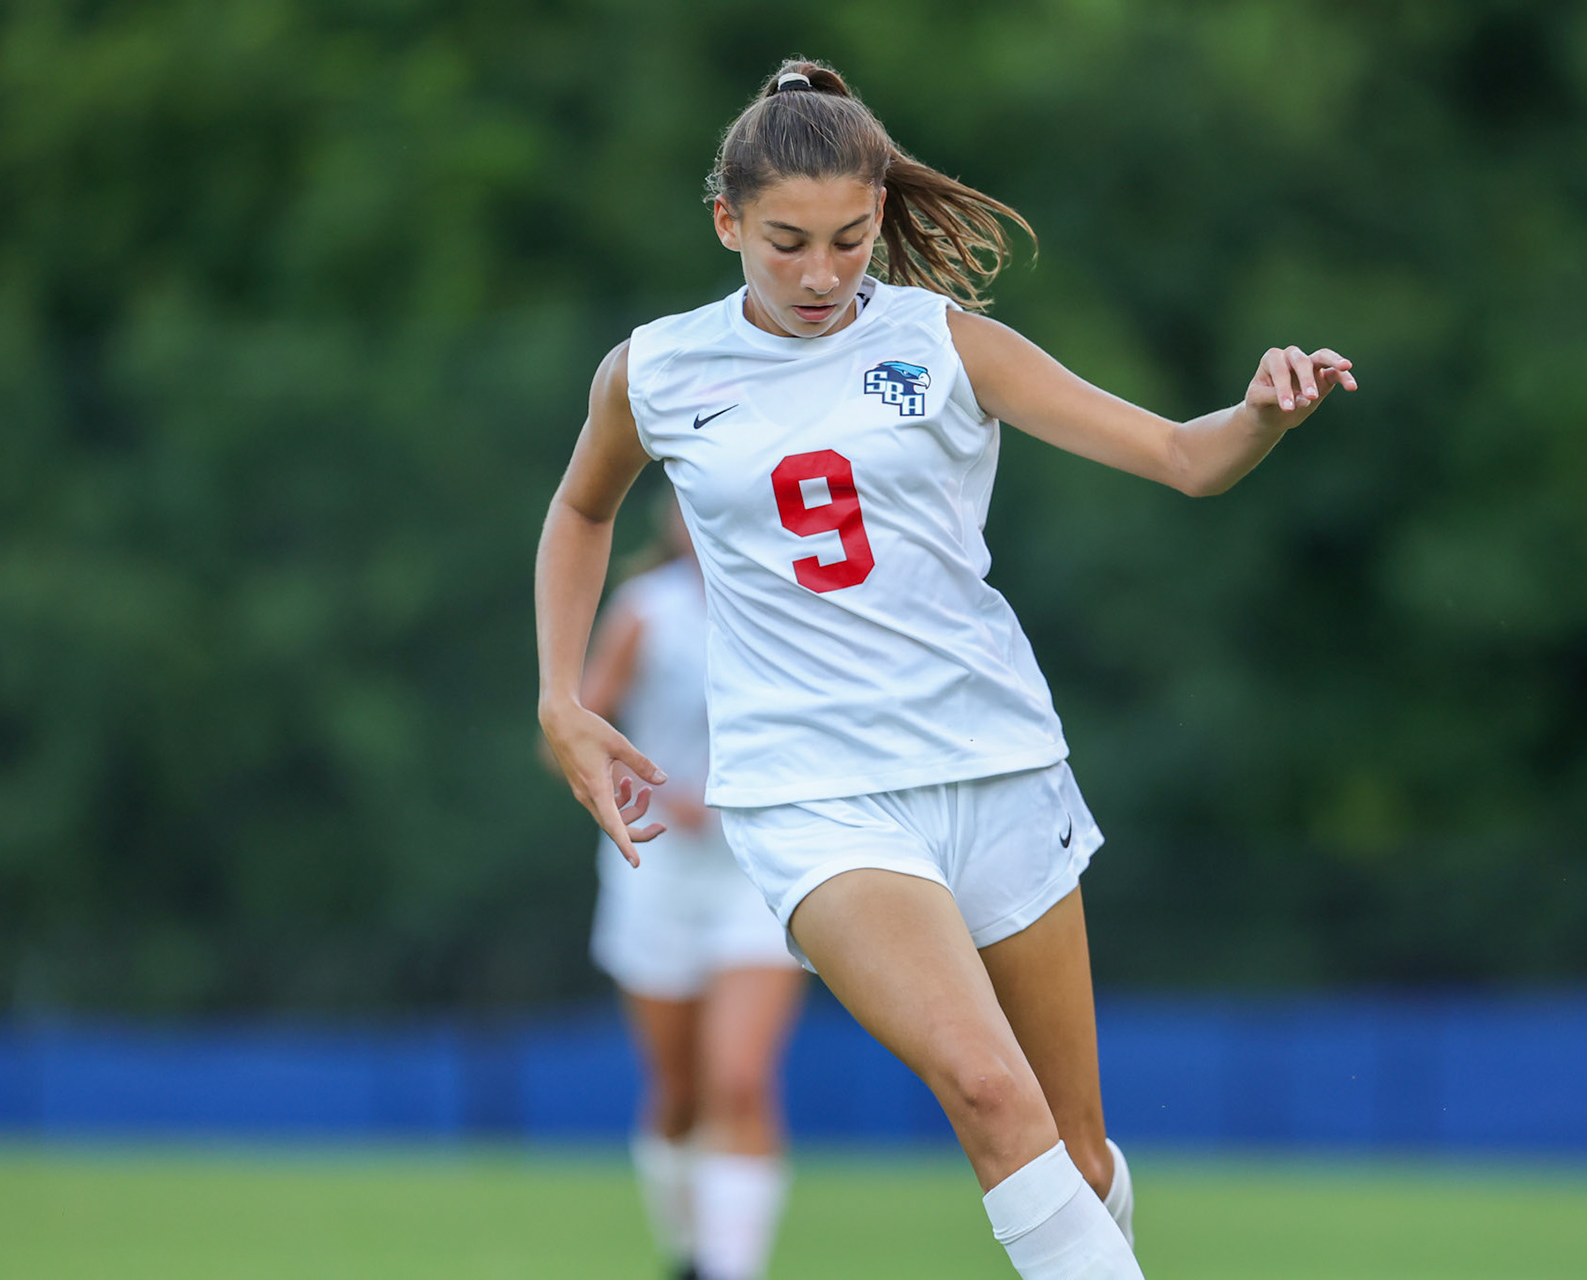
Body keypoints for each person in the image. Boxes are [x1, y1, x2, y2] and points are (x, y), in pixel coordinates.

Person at [536, 58, 1355, 1280]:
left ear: (880, 215)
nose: (821, 274)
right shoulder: (655, 370)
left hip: (997, 765)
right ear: (726, 222)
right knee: (985, 1088)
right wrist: (561, 697)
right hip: (814, 793)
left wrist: (1262, 415)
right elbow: (582, 510)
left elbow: (1187, 459)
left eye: (851, 240)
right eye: (786, 242)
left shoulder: (948, 345)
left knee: (1074, 1155)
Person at [576, 493, 805, 1280]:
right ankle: (690, 1254)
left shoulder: (799, 603)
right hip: (659, 867)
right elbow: (573, 737)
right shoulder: (648, 612)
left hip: (759, 870)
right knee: (678, 1093)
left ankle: (729, 1269)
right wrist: (652, 793)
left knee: (738, 1081)